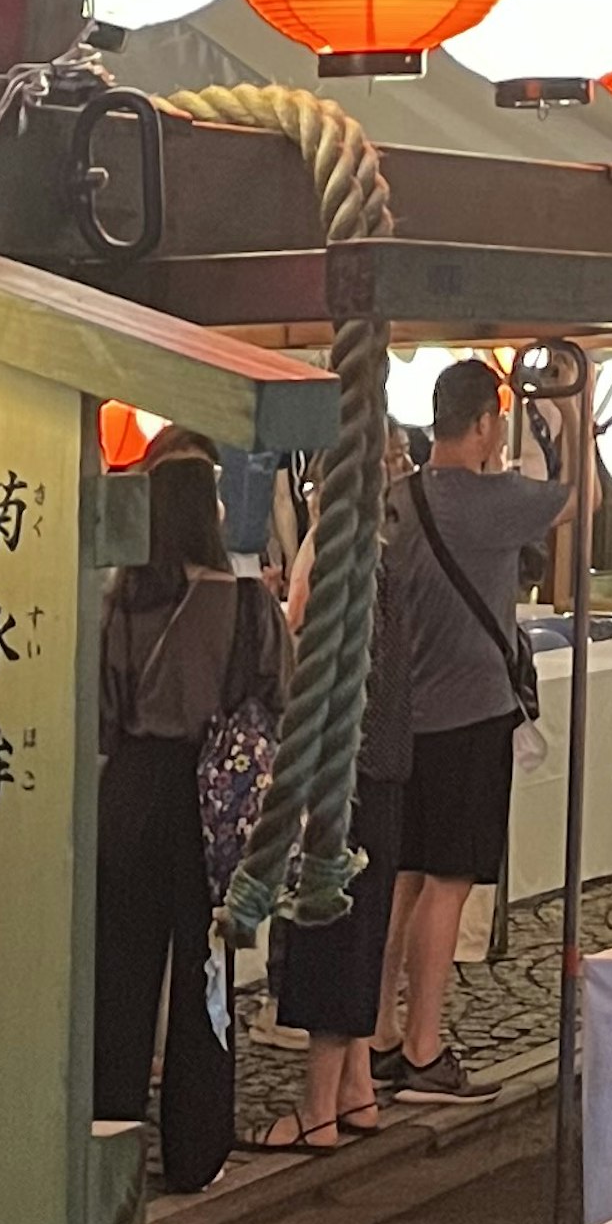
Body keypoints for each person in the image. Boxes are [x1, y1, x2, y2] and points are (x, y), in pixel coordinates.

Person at [380, 350, 580, 1098]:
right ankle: (427, 1047)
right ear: (488, 424)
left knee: (403, 876)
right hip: (471, 714)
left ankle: (380, 1032)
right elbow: (576, 502)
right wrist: (569, 419)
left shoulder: (400, 500)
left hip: (409, 716)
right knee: (450, 880)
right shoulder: (489, 500)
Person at [95, 441, 289, 1193]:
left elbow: (103, 712)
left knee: (122, 977)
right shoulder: (245, 602)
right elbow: (279, 695)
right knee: (206, 974)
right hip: (213, 798)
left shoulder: (123, 600)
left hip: (133, 791)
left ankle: (109, 1143)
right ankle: (195, 1145)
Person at [261, 452, 411, 1149]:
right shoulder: (383, 556)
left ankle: (317, 1106)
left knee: (330, 932)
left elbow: (308, 654)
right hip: (383, 765)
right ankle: (356, 1087)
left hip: (336, 769)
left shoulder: (335, 554)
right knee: (365, 926)